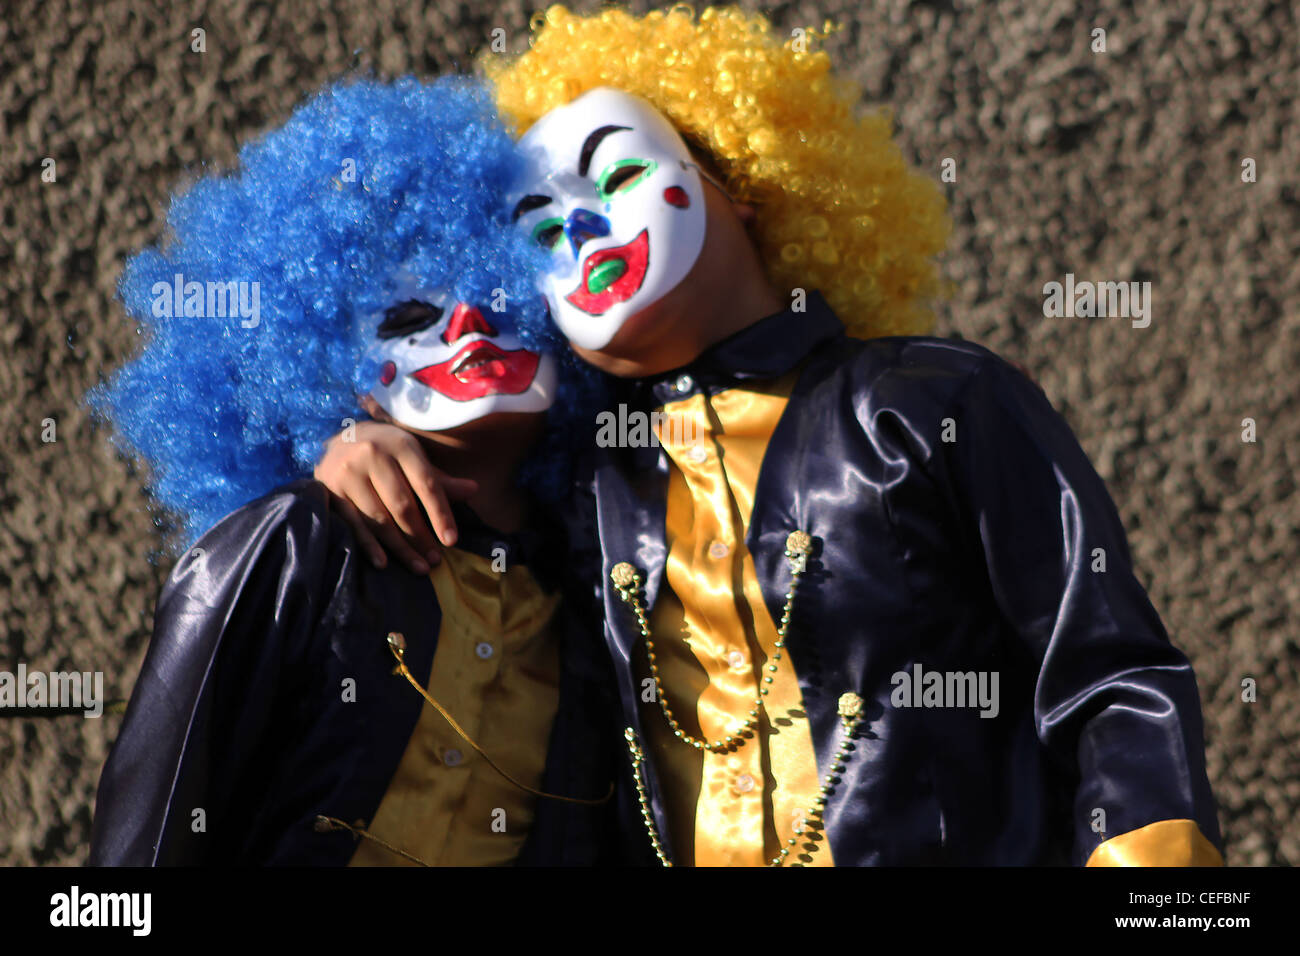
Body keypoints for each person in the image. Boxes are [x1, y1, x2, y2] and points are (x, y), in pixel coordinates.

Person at [313, 7, 1224, 867]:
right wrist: (343, 448)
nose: (582, 227)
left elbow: (1110, 673)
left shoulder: (932, 401)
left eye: (621, 177)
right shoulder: (583, 482)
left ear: (740, 185)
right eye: (542, 230)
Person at [87, 77, 617, 866]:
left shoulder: (597, 591)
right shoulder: (298, 546)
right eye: (407, 318)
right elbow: (148, 836)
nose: (468, 328)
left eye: (503, 304)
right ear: (328, 366)